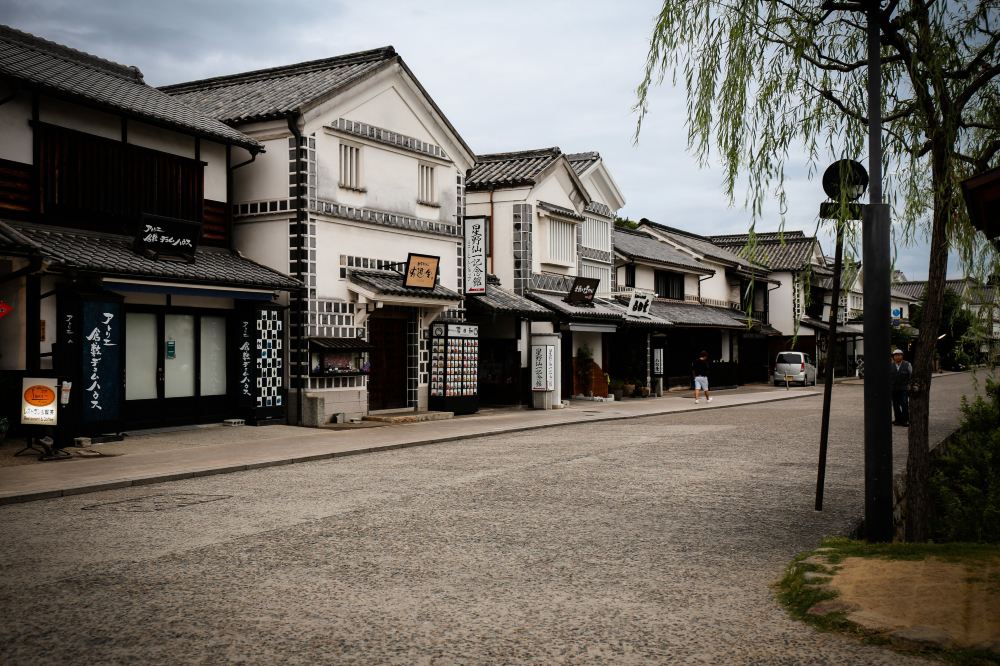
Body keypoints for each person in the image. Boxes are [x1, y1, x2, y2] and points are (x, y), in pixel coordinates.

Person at [889, 348, 912, 426]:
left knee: (904, 404)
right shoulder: (890, 366)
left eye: (899, 355)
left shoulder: (907, 364)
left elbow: (911, 375)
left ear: (902, 356)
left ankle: (905, 420)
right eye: (895, 355)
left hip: (904, 388)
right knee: (895, 405)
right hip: (893, 389)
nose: (897, 357)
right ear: (893, 357)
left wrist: (910, 385)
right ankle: (898, 420)